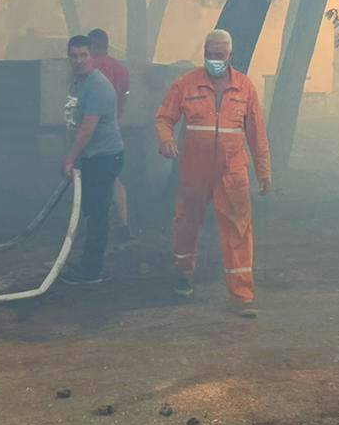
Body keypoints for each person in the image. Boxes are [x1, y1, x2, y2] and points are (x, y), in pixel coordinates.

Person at [155, 29, 272, 317]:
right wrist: (166, 140)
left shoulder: (245, 88)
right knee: (186, 224)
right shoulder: (186, 84)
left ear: (230, 56)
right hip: (195, 170)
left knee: (239, 229)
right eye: (210, 55)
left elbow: (257, 134)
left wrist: (264, 171)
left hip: (232, 172)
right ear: (204, 53)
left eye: (219, 55)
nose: (214, 60)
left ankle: (242, 296)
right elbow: (163, 118)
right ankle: (183, 276)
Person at [61, 34, 125, 284]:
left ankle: (91, 271)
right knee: (89, 210)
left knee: (97, 213)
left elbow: (88, 128)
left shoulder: (97, 85)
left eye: (83, 55)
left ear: (92, 56)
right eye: (74, 56)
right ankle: (87, 263)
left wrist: (70, 158)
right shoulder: (78, 82)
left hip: (104, 157)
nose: (78, 60)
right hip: (90, 156)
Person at [87, 28, 132, 238]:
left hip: (93, 131)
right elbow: (124, 97)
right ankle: (122, 221)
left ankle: (96, 222)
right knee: (112, 176)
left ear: (93, 46)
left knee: (96, 176)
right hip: (113, 128)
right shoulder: (120, 69)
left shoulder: (91, 68)